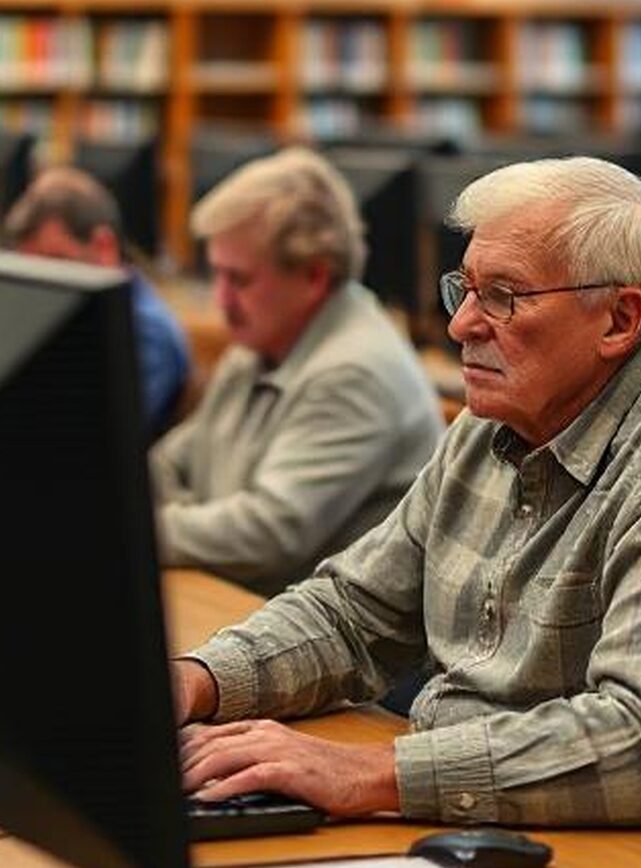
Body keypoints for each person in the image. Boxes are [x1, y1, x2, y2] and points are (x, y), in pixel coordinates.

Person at [173, 156, 641, 826]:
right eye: (466, 290)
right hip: (479, 818)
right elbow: (351, 615)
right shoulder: (490, 426)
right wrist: (198, 680)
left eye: (504, 297)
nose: (461, 326)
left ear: (619, 320)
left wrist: (368, 771)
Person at [150, 148, 444, 597]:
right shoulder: (260, 344)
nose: (220, 300)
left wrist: (144, 525)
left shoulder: (355, 372)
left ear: (313, 276)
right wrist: (197, 520)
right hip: (248, 609)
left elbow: (266, 537)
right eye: (218, 276)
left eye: (239, 280)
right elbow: (168, 463)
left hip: (332, 652)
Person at [3, 167, 190, 435]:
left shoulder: (147, 332)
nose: (45, 285)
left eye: (57, 263)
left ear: (104, 247)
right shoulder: (69, 318)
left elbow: (100, 436)